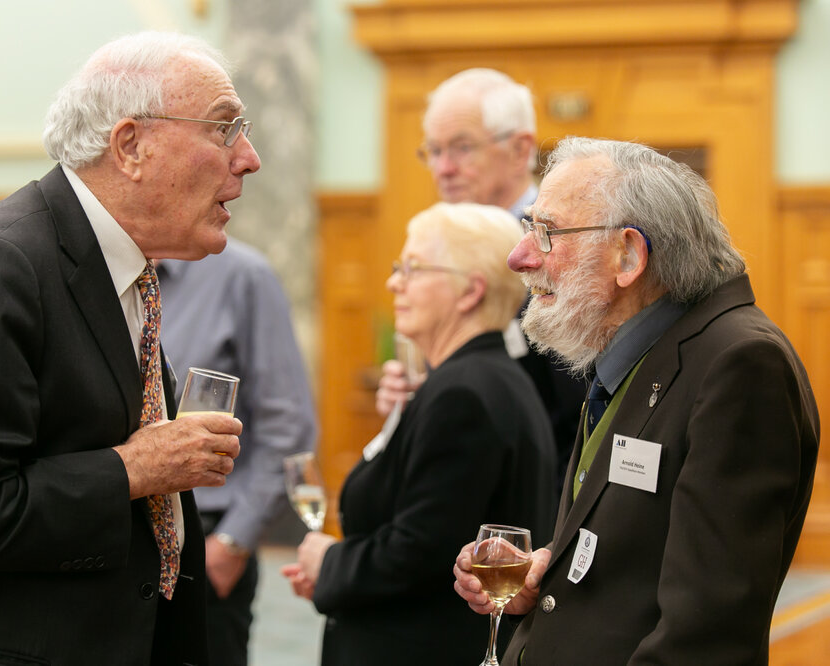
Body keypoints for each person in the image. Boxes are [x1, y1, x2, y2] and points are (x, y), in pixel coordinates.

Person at [0, 31, 261, 666]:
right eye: (224, 129)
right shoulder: (2, 262)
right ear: (131, 146)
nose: (249, 158)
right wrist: (134, 468)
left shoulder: (124, 267)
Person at [453, 137, 820, 665]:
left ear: (628, 254)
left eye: (546, 232)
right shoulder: (630, 348)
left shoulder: (740, 364)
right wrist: (547, 571)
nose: (520, 256)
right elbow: (641, 551)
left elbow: (707, 636)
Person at [282, 202, 559, 665]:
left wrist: (329, 562)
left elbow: (421, 553)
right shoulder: (479, 379)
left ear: (470, 291)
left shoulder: (463, 394)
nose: (394, 283)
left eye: (412, 268)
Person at [394, 67, 588, 483]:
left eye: (462, 148)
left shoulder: (562, 245)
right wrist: (419, 398)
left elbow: (581, 413)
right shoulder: (439, 245)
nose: (443, 168)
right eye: (434, 151)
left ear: (520, 150)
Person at [156, 237, 317, 666]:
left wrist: (233, 541)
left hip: (205, 539)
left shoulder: (244, 276)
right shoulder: (107, 271)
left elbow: (289, 424)